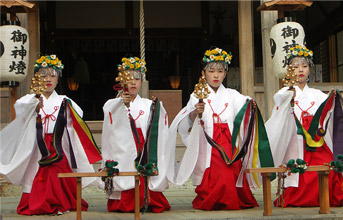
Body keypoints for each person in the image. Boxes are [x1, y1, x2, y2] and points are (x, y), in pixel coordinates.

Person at [266, 45, 343, 207]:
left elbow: (328, 114)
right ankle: (297, 198)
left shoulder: (317, 94)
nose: (300, 70)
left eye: (304, 66)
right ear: (289, 70)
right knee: (297, 169)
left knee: (327, 163)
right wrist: (288, 96)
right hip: (296, 140)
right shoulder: (283, 92)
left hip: (316, 141)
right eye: (295, 66)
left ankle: (327, 197)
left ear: (309, 69)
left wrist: (332, 99)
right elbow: (280, 109)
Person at [167, 47, 274, 210]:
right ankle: (212, 198)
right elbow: (187, 120)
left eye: (220, 71)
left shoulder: (232, 94)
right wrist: (195, 112)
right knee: (212, 171)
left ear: (225, 74)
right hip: (207, 141)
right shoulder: (196, 95)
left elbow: (243, 105)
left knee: (229, 171)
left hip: (228, 142)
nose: (216, 75)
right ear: (204, 73)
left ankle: (230, 198)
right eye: (211, 71)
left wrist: (249, 105)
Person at [0, 55, 102, 215]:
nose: (48, 79)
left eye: (52, 75)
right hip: (36, 145)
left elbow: (76, 123)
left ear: (58, 78)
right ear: (36, 78)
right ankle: (36, 203)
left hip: (59, 146)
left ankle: (60, 202)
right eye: (43, 75)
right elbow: (21, 115)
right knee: (34, 173)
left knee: (59, 173)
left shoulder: (65, 100)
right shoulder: (27, 100)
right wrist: (34, 105)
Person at [101, 56, 171, 213]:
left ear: (142, 81)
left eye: (137, 79)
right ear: (121, 80)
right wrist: (121, 104)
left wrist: (156, 109)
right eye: (129, 78)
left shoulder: (147, 104)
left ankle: (148, 198)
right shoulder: (112, 104)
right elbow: (110, 125)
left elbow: (160, 125)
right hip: (124, 146)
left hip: (143, 146)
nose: (133, 82)